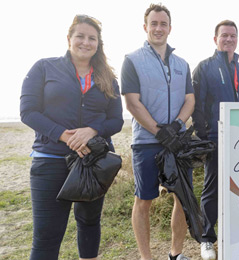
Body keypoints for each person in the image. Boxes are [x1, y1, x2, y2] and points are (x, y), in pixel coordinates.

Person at [20, 15, 123, 260]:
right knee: (46, 236)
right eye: (80, 36)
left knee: (89, 223)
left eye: (92, 38)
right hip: (50, 160)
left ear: (98, 44)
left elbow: (116, 120)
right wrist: (64, 136)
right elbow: (28, 111)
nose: (85, 43)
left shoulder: (108, 79)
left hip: (93, 162)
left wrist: (92, 131)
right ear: (69, 39)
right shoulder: (44, 67)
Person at [121, 4, 194, 260]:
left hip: (178, 142)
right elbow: (132, 102)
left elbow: (189, 100)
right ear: (145, 27)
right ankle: (146, 257)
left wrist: (175, 126)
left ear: (170, 28)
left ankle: (176, 253)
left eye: (163, 24)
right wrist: (157, 131)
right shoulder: (131, 60)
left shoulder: (182, 64)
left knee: (182, 200)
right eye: (154, 23)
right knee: (144, 201)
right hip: (146, 143)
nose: (158, 28)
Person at [191, 20, 239, 260]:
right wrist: (204, 136)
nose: (229, 39)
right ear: (215, 39)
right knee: (212, 189)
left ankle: (236, 233)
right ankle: (206, 239)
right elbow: (197, 104)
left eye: (233, 36)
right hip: (215, 139)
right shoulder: (204, 67)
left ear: (237, 39)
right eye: (224, 36)